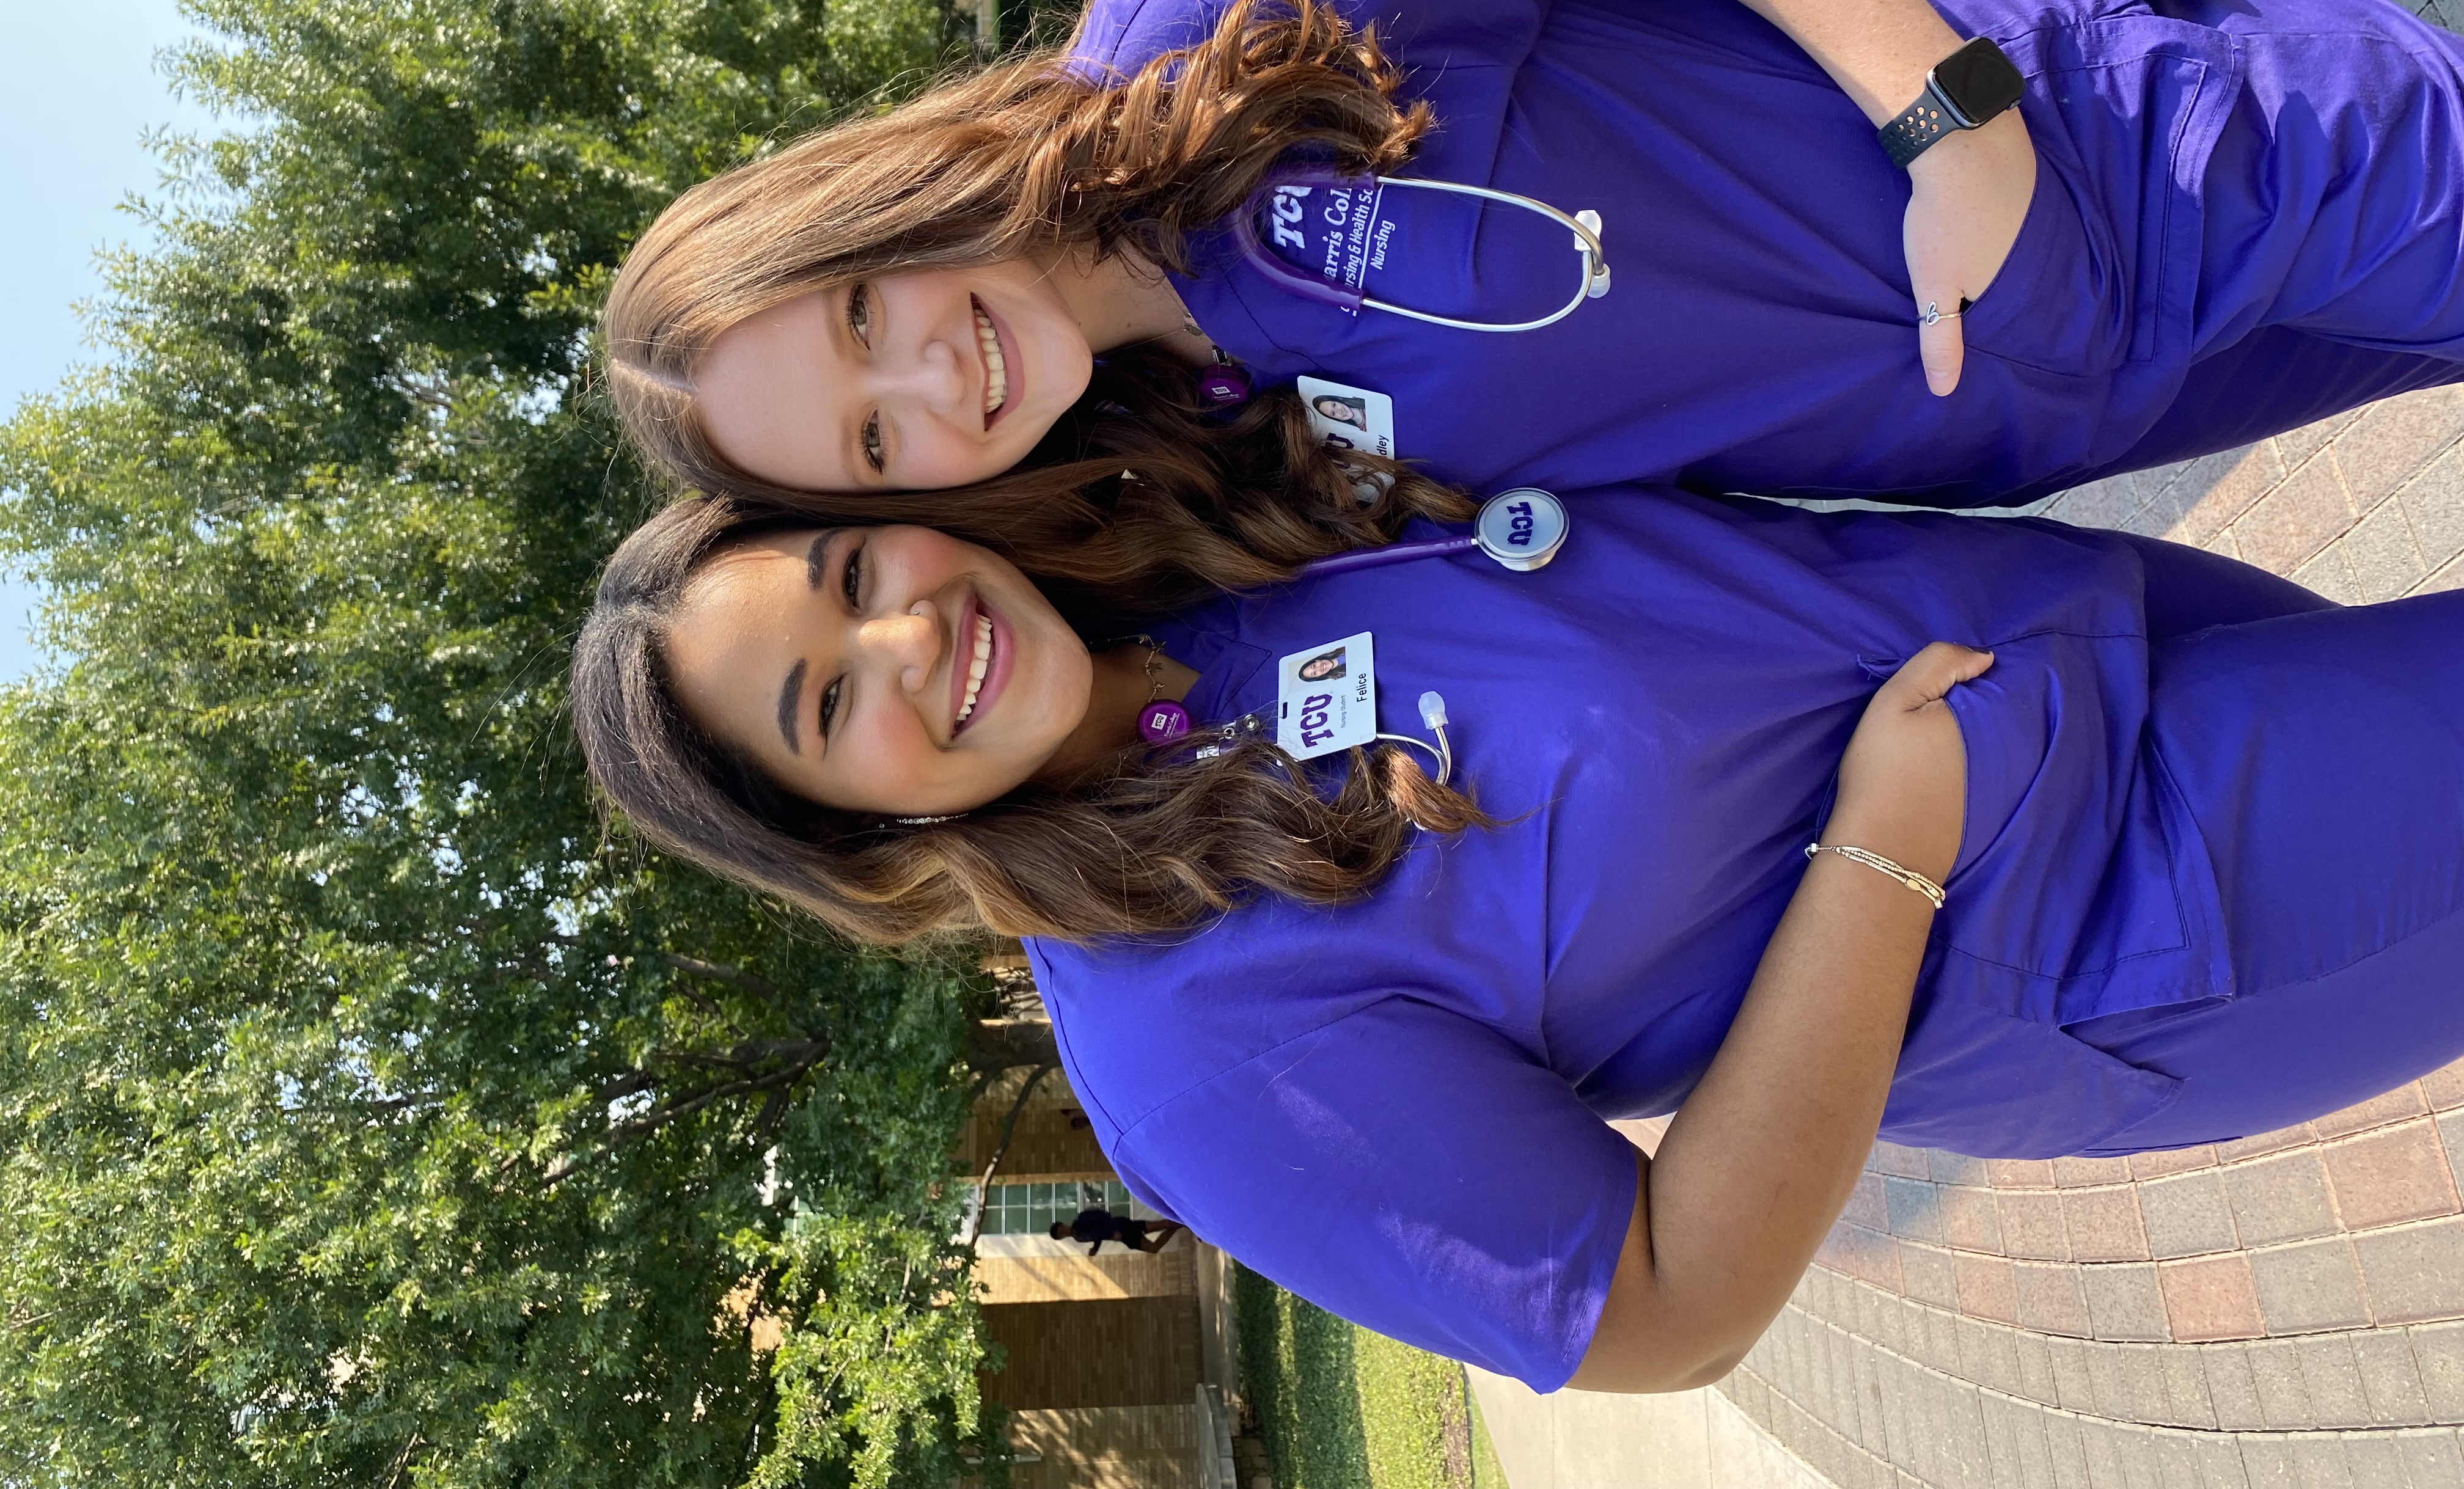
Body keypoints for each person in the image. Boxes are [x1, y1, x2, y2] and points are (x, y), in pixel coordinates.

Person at [568, 471, 2464, 1395]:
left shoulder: (1198, 560)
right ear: (863, 828)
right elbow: (1659, 1312)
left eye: (849, 573)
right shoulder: (1189, 1059)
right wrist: (1885, 849)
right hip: (2143, 898)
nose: (912, 636)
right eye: (831, 704)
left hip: (2116, 639)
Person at [602, 0, 2464, 539]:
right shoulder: (1219, 445)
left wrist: (1947, 124)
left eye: (864, 312)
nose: (932, 379)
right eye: (871, 444)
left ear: (870, 204)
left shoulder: (1197, 14)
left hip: (2129, 149)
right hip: (2076, 403)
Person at [1050, 1206, 1181, 1256]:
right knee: (1154, 1248)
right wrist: (1096, 1248)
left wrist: (1114, 1230)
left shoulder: (1082, 1220)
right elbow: (1097, 1235)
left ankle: (1181, 1223)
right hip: (1120, 1236)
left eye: (1061, 1230)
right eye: (1060, 1235)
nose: (1063, 1233)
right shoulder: (1078, 1238)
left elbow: (1102, 1215)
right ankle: (1181, 1224)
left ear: (1062, 1225)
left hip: (1121, 1227)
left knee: (1160, 1228)